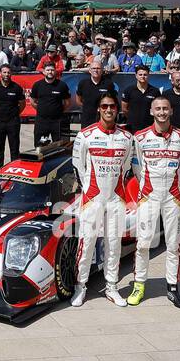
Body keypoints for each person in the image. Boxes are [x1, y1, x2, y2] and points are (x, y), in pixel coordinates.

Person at [127, 98, 180, 309]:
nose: (162, 112)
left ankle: (173, 288)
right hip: (148, 196)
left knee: (173, 245)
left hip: (173, 197)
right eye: (158, 109)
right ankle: (139, 285)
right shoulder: (140, 138)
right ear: (151, 111)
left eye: (165, 108)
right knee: (143, 243)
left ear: (171, 111)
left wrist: (175, 189)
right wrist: (146, 189)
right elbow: (136, 167)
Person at [70, 96, 132, 307]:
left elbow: (128, 167)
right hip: (92, 198)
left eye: (112, 106)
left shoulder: (126, 137)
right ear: (98, 109)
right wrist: (88, 191)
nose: (108, 109)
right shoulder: (85, 135)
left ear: (117, 110)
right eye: (104, 106)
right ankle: (80, 286)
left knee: (114, 245)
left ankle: (112, 287)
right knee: (86, 243)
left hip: (116, 199)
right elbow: (78, 167)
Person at [0, 64, 27, 169]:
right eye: (4, 72)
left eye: (8, 72)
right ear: (0, 73)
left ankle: (14, 169)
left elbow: (22, 104)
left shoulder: (17, 88)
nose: (6, 74)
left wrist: (15, 113)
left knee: (14, 148)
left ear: (11, 74)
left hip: (13, 122)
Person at [75, 60, 118, 130]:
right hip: (87, 119)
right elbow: (78, 100)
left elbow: (113, 101)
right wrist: (87, 107)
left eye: (98, 68)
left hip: (104, 119)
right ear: (89, 70)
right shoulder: (83, 83)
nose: (96, 70)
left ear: (102, 70)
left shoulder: (108, 84)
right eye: (94, 68)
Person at [121, 64, 160, 133]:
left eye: (145, 75)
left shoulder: (155, 91)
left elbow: (158, 109)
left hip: (149, 127)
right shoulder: (128, 90)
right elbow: (124, 109)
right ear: (136, 75)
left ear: (148, 75)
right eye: (140, 74)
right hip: (131, 127)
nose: (143, 77)